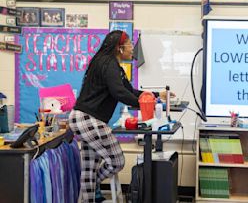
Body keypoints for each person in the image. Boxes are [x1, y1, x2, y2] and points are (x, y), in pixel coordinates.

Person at [68, 30, 173, 202]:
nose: (132, 48)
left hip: (83, 118)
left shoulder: (113, 66)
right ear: (119, 47)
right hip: (88, 119)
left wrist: (155, 95)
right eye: (130, 44)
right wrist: (145, 105)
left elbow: (129, 91)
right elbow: (119, 93)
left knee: (89, 170)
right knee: (117, 161)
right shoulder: (108, 64)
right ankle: (93, 185)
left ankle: (87, 193)